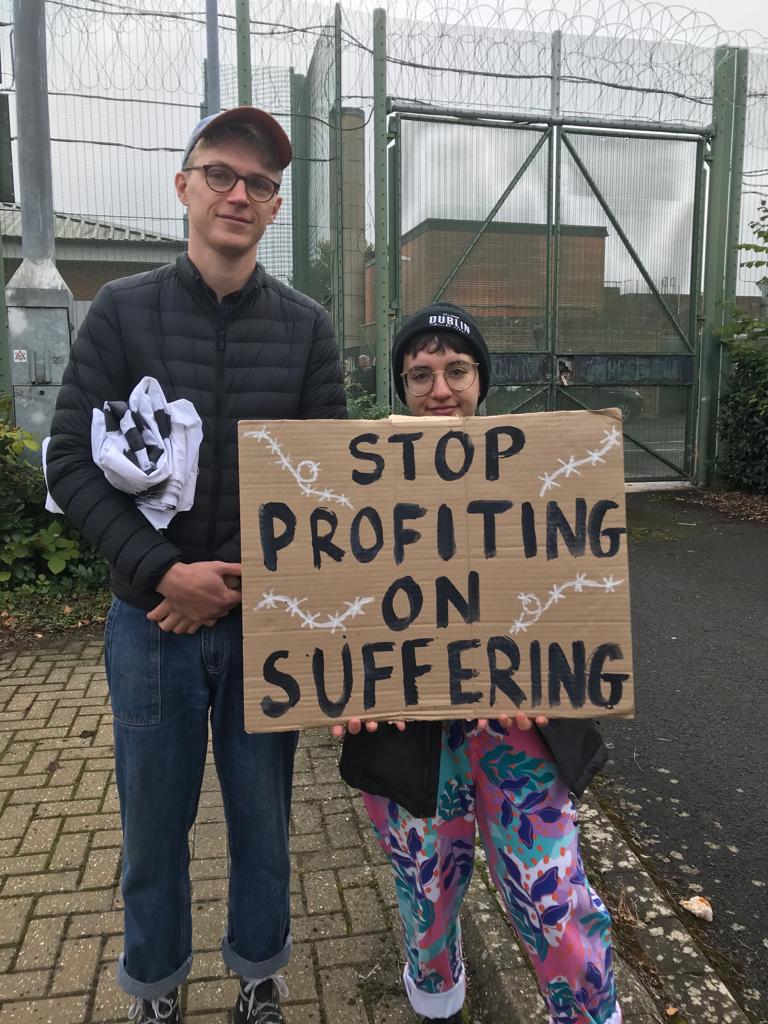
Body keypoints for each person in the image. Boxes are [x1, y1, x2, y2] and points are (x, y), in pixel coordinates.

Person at [46, 106, 346, 1024]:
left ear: (274, 206)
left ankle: (258, 971)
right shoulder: (120, 313)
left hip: (266, 627)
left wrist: (244, 583)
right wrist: (161, 574)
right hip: (151, 625)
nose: (239, 194)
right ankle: (158, 985)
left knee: (264, 822)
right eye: (221, 173)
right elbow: (64, 461)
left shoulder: (308, 329)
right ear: (184, 186)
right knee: (150, 831)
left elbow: (326, 487)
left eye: (258, 184)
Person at [338, 303, 621, 1024]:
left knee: (552, 899)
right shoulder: (356, 480)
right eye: (421, 374)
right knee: (426, 893)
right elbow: (330, 605)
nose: (440, 389)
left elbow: (580, 588)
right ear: (401, 389)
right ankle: (435, 990)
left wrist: (549, 675)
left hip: (518, 729)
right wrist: (338, 685)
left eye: (457, 370)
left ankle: (589, 1012)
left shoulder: (539, 468)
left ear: (481, 380)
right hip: (408, 734)